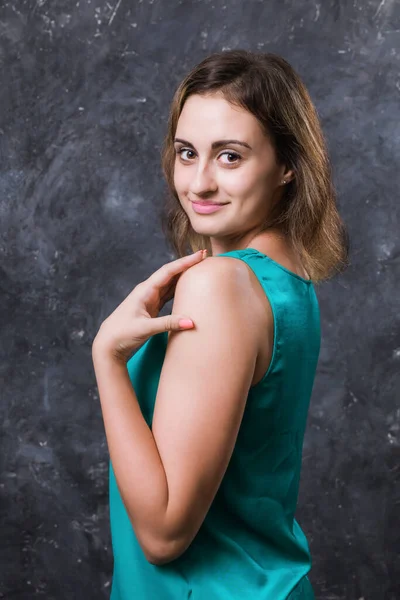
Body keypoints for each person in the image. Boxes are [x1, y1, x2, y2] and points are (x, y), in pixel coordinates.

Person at [92, 49, 349, 600]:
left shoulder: (220, 286)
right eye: (187, 153)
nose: (199, 183)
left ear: (287, 165)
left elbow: (164, 533)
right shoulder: (288, 283)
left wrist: (107, 361)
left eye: (230, 157)